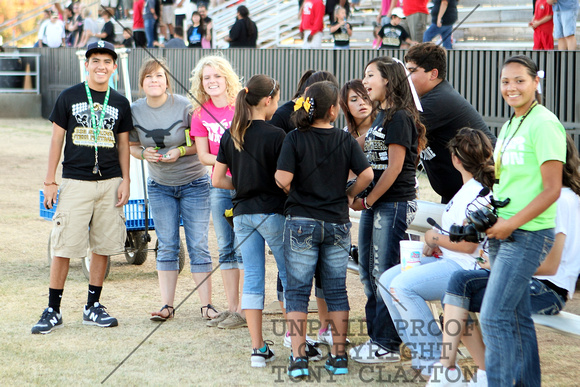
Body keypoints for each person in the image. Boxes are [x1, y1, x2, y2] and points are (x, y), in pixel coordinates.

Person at [428, 134, 580, 386]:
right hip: (528, 279)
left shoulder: (561, 200)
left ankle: (465, 372)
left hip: (547, 289)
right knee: (458, 286)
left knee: (462, 296)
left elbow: (552, 266)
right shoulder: (549, 196)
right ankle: (450, 370)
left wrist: (499, 264)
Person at [31, 41, 131, 334]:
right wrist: (50, 181)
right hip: (75, 181)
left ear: (114, 67)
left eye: (107, 61)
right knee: (64, 246)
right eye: (95, 60)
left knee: (102, 246)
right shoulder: (69, 96)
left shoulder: (120, 102)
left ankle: (93, 306)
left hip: (110, 182)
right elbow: (56, 140)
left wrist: (126, 179)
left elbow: (123, 143)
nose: (101, 66)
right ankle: (53, 310)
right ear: (86, 64)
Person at [378, 127, 494, 379]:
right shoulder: (467, 190)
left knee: (402, 286)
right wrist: (436, 241)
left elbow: (469, 246)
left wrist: (434, 237)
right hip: (449, 260)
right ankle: (423, 353)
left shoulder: (480, 193)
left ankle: (438, 363)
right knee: (386, 281)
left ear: (455, 159)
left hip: (465, 268)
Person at [276, 81, 373, 378]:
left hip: (301, 222)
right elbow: (367, 174)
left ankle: (298, 359)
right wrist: (348, 194)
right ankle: (339, 357)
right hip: (337, 223)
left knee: (296, 292)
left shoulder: (294, 138)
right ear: (333, 110)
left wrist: (297, 190)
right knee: (335, 291)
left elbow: (281, 177)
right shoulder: (345, 140)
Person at [479, 55, 566, 386]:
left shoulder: (543, 123)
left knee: (493, 316)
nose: (511, 87)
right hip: (504, 231)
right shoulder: (514, 123)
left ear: (535, 82)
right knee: (515, 317)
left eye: (519, 80)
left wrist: (510, 224)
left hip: (527, 233)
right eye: (505, 81)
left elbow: (552, 189)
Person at [349, 56, 427, 364]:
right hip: (375, 204)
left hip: (392, 204)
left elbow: (394, 169)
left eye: (370, 75)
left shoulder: (400, 118)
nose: (365, 81)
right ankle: (376, 337)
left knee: (384, 274)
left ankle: (387, 344)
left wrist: (366, 201)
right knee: (368, 274)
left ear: (388, 80)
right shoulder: (382, 116)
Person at [129, 57, 217, 322]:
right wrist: (145, 153)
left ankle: (207, 306)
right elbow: (132, 147)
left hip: (194, 184)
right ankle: (167, 306)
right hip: (160, 187)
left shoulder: (185, 107)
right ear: (142, 83)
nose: (154, 81)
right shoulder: (135, 110)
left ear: (167, 80)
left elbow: (201, 145)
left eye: (159, 76)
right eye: (148, 77)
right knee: (166, 244)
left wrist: (179, 151)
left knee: (198, 244)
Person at [213, 74, 288, 368]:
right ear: (268, 100)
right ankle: (296, 342)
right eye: (277, 100)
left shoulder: (231, 134)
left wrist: (243, 185)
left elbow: (218, 179)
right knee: (288, 276)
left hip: (243, 215)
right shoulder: (277, 135)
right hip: (273, 212)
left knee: (253, 280)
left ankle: (258, 349)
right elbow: (284, 181)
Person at [189, 55, 246, 329]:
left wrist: (232, 161)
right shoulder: (200, 113)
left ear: (227, 78)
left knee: (246, 246)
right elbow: (202, 155)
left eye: (217, 76)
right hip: (220, 186)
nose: (212, 81)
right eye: (206, 77)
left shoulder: (242, 108)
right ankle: (232, 308)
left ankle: (247, 308)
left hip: (246, 185)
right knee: (226, 247)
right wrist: (227, 160)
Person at [404, 43, 496, 204]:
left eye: (412, 71)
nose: (406, 77)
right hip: (460, 192)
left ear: (433, 74)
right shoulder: (431, 98)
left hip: (480, 193)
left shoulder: (437, 101)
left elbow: (386, 131)